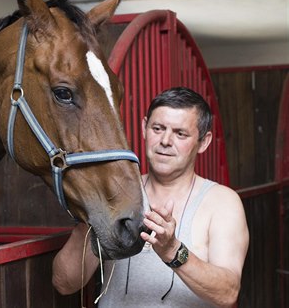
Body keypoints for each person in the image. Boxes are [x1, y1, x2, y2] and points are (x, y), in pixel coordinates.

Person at [52, 87, 249, 307]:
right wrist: (89, 216)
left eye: (180, 133)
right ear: (144, 128)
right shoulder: (117, 195)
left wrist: (172, 250)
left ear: (203, 142)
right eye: (158, 128)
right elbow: (64, 283)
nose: (165, 140)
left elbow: (228, 293)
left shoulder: (222, 202)